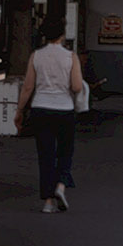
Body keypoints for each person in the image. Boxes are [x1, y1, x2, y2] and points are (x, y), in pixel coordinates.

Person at [14, 17, 83, 213]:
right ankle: (61, 186)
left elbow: (28, 87)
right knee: (65, 151)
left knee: (45, 155)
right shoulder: (71, 57)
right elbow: (77, 86)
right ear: (62, 34)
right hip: (64, 110)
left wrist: (19, 110)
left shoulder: (36, 56)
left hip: (40, 109)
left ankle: (47, 202)